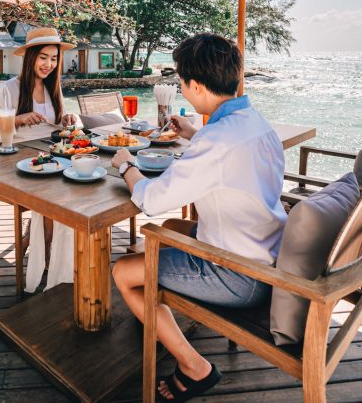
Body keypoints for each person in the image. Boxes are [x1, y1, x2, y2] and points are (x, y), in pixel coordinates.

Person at [111, 33, 287, 402]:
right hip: (267, 255)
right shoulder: (256, 123)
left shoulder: (217, 139)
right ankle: (168, 323)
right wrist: (195, 135)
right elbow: (229, 163)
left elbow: (153, 200)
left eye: (180, 80)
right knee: (172, 229)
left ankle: (195, 366)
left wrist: (126, 165)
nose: (180, 87)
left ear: (193, 84)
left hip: (239, 275)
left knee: (123, 272)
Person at [0, 27, 79, 291]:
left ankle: (46, 247)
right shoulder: (7, 89)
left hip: (52, 156)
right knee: (55, 197)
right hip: (17, 163)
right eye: (43, 57)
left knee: (80, 184)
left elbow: (58, 126)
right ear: (30, 57)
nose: (49, 64)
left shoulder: (53, 88)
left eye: (54, 58)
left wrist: (68, 120)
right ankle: (47, 256)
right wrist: (17, 119)